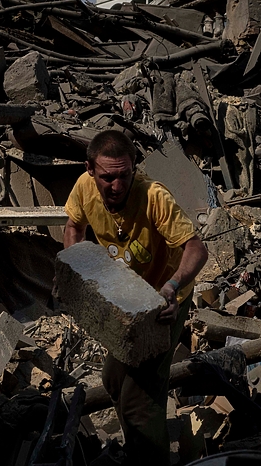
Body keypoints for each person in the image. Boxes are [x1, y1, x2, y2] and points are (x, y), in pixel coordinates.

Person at [62, 130, 208, 462]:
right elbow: (73, 227)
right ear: (90, 169)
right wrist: (78, 273)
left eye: (123, 176)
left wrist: (170, 289)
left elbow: (197, 250)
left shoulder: (154, 197)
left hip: (162, 304)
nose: (116, 186)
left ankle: (149, 459)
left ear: (134, 169)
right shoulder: (84, 189)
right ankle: (141, 448)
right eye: (107, 178)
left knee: (140, 397)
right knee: (114, 379)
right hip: (127, 302)